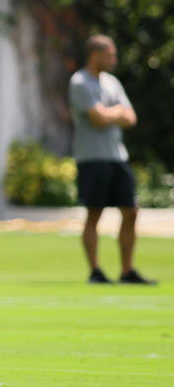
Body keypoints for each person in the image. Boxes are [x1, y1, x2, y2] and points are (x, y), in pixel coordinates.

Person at [68, 34, 155, 285]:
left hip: (117, 157)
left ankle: (127, 271)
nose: (114, 59)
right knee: (94, 213)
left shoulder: (112, 83)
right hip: (92, 157)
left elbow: (131, 117)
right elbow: (97, 119)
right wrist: (115, 113)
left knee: (131, 211)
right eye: (111, 55)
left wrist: (112, 113)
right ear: (96, 54)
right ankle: (95, 271)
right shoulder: (80, 82)